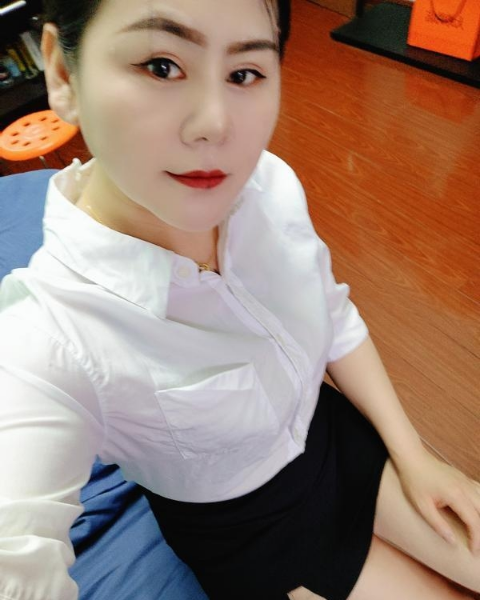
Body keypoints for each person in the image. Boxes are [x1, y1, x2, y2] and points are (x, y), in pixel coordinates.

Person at [0, 0, 479, 599]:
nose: (215, 125)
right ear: (62, 74)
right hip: (253, 533)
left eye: (244, 73)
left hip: (334, 436)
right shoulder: (50, 338)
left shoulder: (270, 186)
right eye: (161, 66)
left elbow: (332, 314)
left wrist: (415, 456)